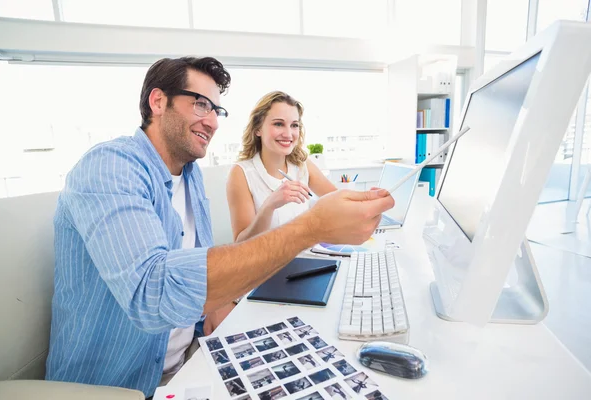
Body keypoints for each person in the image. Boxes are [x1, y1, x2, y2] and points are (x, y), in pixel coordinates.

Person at [45, 56, 394, 398]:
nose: (212, 121)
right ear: (158, 101)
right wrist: (310, 227)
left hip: (190, 358)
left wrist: (219, 306)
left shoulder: (191, 175)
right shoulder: (110, 166)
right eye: (200, 105)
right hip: (121, 384)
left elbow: (200, 260)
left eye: (216, 110)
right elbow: (153, 296)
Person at [227, 91, 338, 242]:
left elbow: (338, 201)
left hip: (306, 258)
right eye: (278, 124)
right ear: (257, 129)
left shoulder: (303, 165)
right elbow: (241, 244)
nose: (288, 134)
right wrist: (269, 206)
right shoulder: (241, 173)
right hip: (268, 264)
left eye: (294, 125)